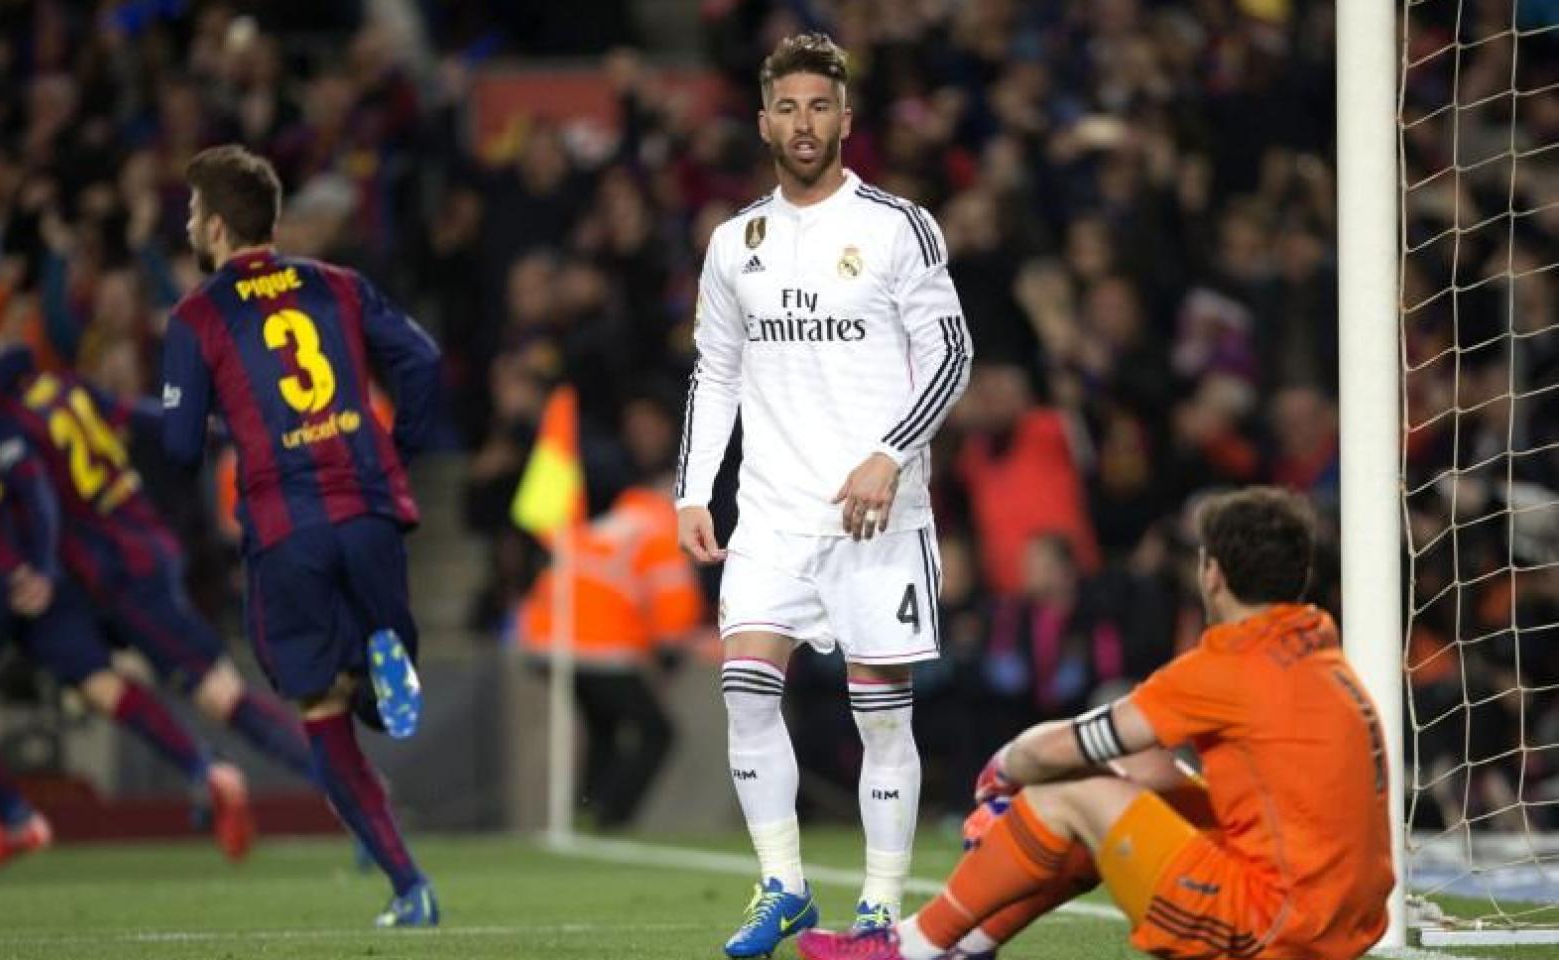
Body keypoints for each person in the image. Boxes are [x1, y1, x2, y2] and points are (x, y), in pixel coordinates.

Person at [795, 487, 1395, 960]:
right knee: (1133, 777)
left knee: (1068, 792)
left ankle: (913, 946)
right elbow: (1147, 762)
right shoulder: (1321, 651)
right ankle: (970, 944)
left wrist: (1003, 770)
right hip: (1343, 920)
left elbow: (1066, 745)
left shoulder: (1229, 665)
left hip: (1272, 926)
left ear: (1212, 573)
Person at [674, 32, 974, 957]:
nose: (804, 125)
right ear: (763, 121)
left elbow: (953, 355)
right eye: (787, 108)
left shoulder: (898, 226)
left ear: (847, 118)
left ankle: (882, 905)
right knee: (746, 694)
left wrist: (889, 453)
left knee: (880, 714)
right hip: (769, 514)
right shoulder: (734, 245)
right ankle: (785, 888)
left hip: (875, 517)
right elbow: (713, 376)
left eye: (820, 107)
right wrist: (694, 492)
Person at [159, 144, 443, 928]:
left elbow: (180, 448)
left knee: (321, 712)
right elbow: (421, 361)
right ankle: (389, 666)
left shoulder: (196, 317)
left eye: (191, 213)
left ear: (216, 225)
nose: (188, 224)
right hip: (370, 506)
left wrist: (223, 415)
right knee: (383, 683)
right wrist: (399, 450)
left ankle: (409, 888)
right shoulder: (338, 286)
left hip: (287, 529)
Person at [0, 339, 251, 871]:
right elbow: (20, 357)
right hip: (30, 580)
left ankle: (16, 819)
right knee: (99, 684)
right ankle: (205, 769)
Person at [0, 319, 319, 789]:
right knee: (91, 678)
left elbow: (39, 498)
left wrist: (43, 567)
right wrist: (222, 430)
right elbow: (136, 414)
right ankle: (205, 771)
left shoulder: (1, 422)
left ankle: (340, 784)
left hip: (120, 566)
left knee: (216, 694)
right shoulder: (58, 387)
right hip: (112, 563)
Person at [517, 392, 703, 829]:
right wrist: (667, 655)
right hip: (593, 641)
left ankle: (587, 810)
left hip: (544, 635)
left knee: (604, 725)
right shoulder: (661, 528)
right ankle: (610, 816)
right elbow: (673, 604)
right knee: (658, 732)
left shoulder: (614, 522)